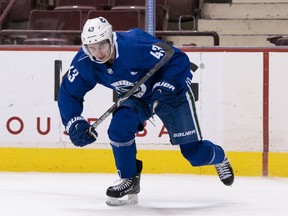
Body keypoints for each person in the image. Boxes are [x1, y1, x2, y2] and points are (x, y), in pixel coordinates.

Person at [58, 17, 234, 206]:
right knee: (119, 128)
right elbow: (68, 93)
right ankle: (129, 179)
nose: (97, 53)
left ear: (111, 39)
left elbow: (177, 58)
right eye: (91, 47)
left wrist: (166, 85)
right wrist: (73, 121)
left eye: (102, 46)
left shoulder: (134, 45)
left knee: (194, 154)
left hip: (171, 93)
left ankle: (219, 157)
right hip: (136, 97)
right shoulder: (85, 61)